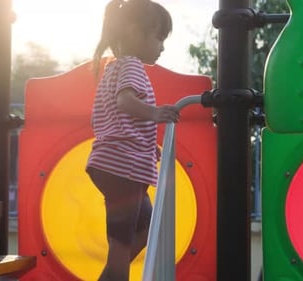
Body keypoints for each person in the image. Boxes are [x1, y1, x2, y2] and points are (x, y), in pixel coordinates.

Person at [86, 0, 179, 280]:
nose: (162, 46)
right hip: (122, 168)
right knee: (120, 246)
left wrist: (150, 146)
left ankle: (112, 273)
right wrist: (155, 113)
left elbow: (118, 118)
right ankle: (115, 272)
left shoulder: (114, 68)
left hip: (119, 165)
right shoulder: (132, 66)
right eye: (158, 37)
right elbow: (125, 102)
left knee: (144, 228)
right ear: (134, 32)